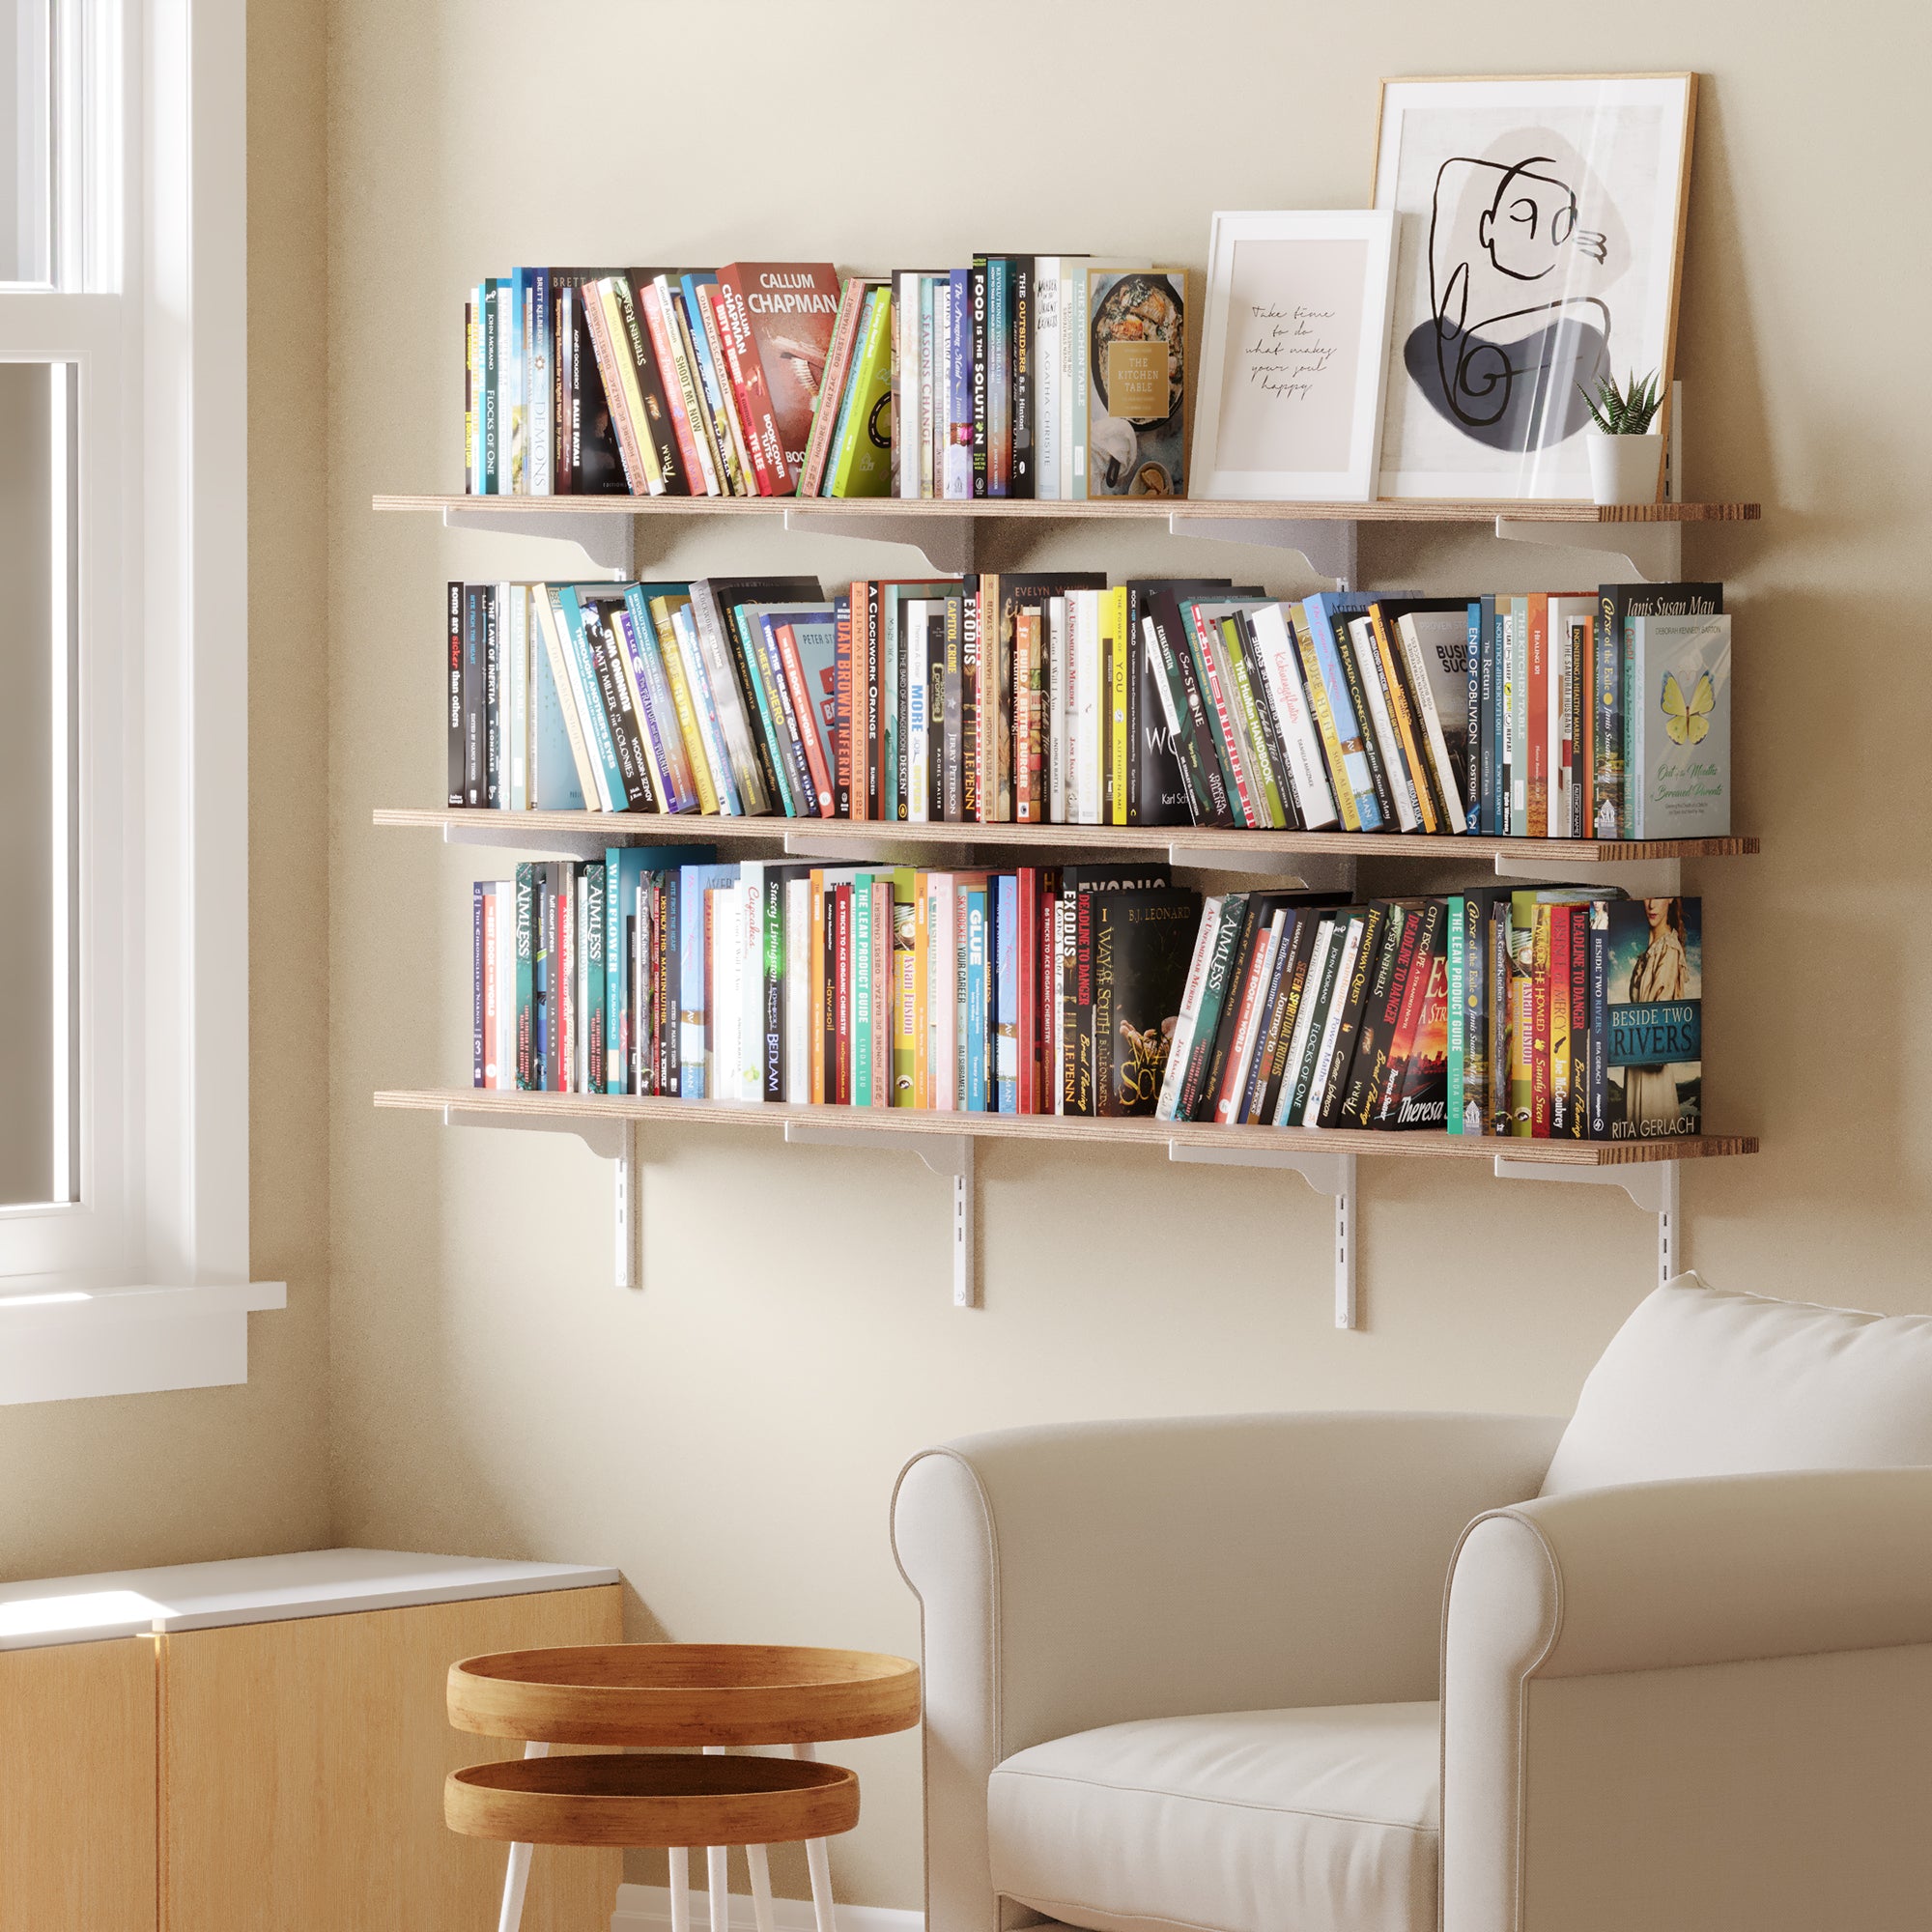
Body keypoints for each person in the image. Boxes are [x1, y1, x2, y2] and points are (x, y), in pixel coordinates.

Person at [1622, 896, 1691, 1129]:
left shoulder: (1669, 950)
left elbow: (1660, 1016)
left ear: (1670, 899)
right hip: (1634, 1059)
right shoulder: (1650, 951)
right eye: (1647, 898)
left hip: (1650, 1064)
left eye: (1658, 898)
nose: (1651, 905)